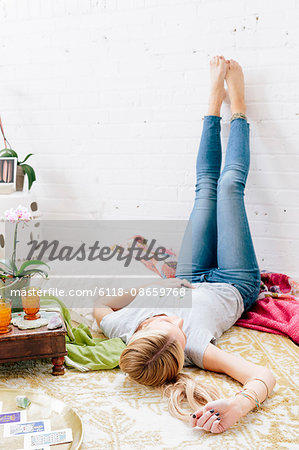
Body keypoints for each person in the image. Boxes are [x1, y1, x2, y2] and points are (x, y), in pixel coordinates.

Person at [93, 56, 276, 434]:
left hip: (191, 274)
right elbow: (261, 375)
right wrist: (238, 407)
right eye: (180, 329)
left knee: (204, 189)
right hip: (233, 281)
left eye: (162, 320)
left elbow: (100, 304)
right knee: (227, 188)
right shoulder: (196, 349)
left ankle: (212, 106)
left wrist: (152, 289)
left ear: (138, 332)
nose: (176, 317)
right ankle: (238, 110)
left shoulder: (119, 326)